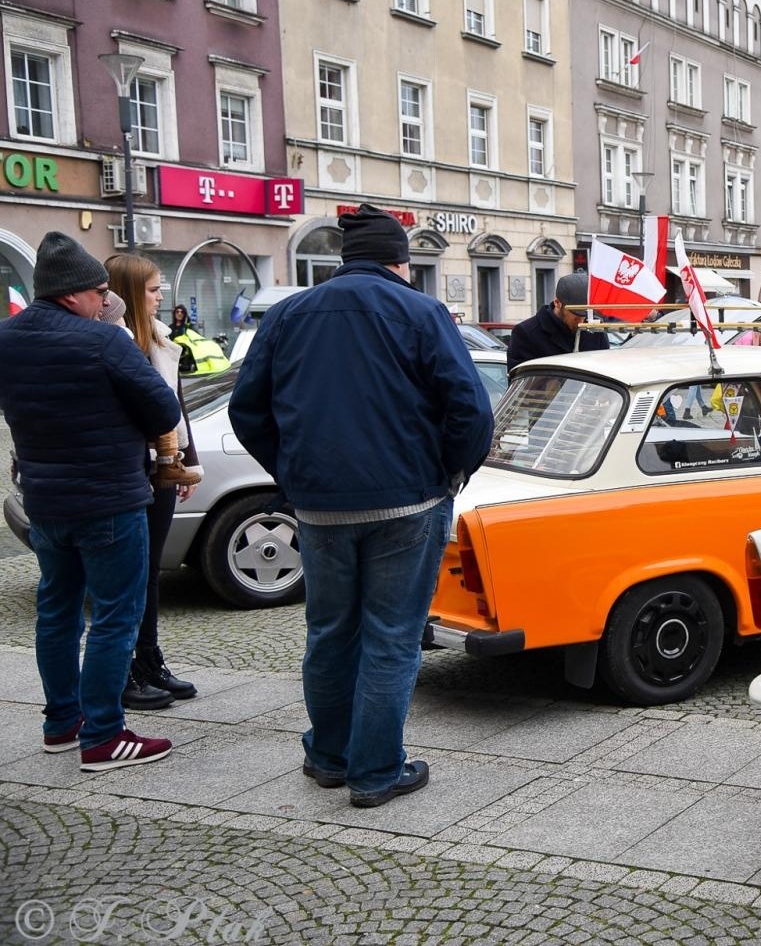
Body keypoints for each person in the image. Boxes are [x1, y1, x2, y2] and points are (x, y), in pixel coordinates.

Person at [229, 205, 495, 808]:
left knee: (329, 632)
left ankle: (328, 756)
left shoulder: (290, 314)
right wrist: (453, 470)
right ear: (399, 261)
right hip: (408, 500)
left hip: (321, 506)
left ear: (347, 260)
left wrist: (293, 473)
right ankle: (375, 771)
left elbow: (249, 409)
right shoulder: (420, 311)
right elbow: (470, 410)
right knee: (392, 637)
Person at [0, 232, 180, 770]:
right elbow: (163, 410)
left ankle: (63, 724)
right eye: (101, 292)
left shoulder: (7, 339)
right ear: (73, 293)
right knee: (115, 616)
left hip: (45, 500)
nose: (107, 301)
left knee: (56, 613)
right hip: (109, 499)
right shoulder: (103, 341)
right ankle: (103, 735)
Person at [106, 254, 205, 710]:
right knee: (128, 574)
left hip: (163, 468)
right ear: (128, 293)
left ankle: (149, 660)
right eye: (152, 289)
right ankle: (125, 668)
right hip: (129, 469)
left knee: (150, 574)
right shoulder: (113, 344)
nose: (161, 296)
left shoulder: (162, 341)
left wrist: (187, 461)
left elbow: (176, 406)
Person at [507, 272, 607, 366]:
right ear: (557, 303)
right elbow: (520, 378)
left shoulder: (595, 329)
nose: (581, 321)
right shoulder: (526, 333)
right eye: (576, 315)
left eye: (585, 314)